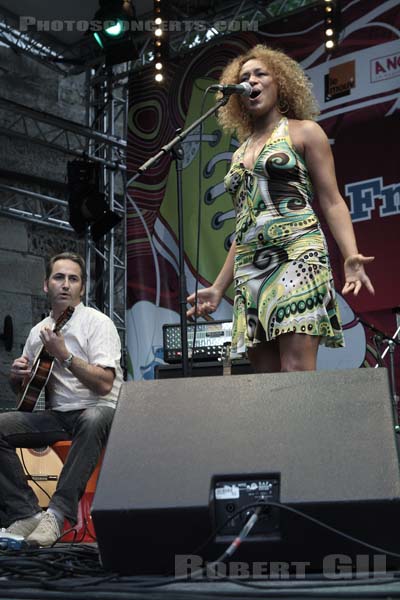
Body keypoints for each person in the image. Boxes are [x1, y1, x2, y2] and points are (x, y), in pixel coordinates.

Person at [187, 45, 374, 373]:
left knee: (295, 373)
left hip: (297, 257)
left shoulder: (304, 131)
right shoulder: (238, 153)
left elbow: (331, 200)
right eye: (244, 77)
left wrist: (350, 256)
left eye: (260, 74)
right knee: (267, 384)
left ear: (281, 83)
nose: (251, 81)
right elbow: (243, 227)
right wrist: (218, 287)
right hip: (251, 268)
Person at [0, 252, 123, 546]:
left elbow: (106, 384)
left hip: (100, 411)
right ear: (46, 285)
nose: (65, 285)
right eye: (59, 277)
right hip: (59, 416)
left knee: (93, 417)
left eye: (73, 279)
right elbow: (28, 394)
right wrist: (17, 378)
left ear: (82, 288)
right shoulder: (37, 332)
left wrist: (64, 356)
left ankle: (55, 515)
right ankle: (25, 512)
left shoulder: (98, 322)